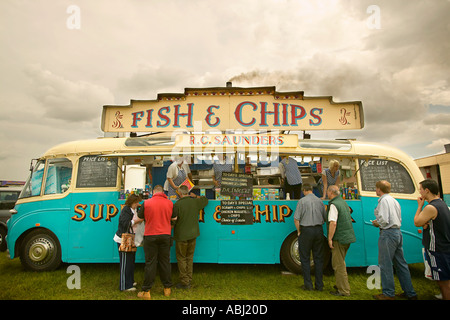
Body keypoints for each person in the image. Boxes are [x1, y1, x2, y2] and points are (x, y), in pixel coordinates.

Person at [372, 180, 417, 300]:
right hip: (397, 232)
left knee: (385, 264)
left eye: (376, 188)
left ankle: (388, 293)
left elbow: (384, 220)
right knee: (401, 264)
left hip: (387, 233)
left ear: (379, 189)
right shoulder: (394, 200)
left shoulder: (383, 201)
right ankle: (410, 292)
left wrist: (377, 223)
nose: (375, 190)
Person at [137, 185, 177, 300]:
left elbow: (140, 217)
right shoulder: (170, 203)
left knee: (150, 263)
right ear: (162, 192)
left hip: (150, 235)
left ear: (153, 192)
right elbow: (174, 218)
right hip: (165, 235)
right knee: (165, 262)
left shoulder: (147, 203)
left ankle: (146, 291)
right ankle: (167, 288)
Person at [414, 179, 450, 300]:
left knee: (443, 281)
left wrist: (419, 206)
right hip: (444, 246)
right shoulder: (442, 203)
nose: (420, 192)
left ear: (427, 190)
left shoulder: (431, 207)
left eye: (420, 189)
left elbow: (417, 222)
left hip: (437, 249)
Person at [173, 185, 209, 289]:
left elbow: (173, 220)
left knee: (181, 258)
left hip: (181, 235)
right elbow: (205, 200)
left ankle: (184, 282)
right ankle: (189, 278)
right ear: (188, 192)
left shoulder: (177, 205)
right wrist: (196, 196)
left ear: (179, 193)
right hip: (193, 234)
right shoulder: (195, 202)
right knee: (189, 257)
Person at [294, 183, 327, 291]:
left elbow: (296, 219)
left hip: (306, 230)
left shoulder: (302, 201)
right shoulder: (320, 201)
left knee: (305, 258)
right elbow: (324, 217)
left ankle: (308, 285)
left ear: (304, 190)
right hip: (318, 230)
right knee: (318, 258)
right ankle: (319, 285)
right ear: (312, 190)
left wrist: (299, 231)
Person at [326, 185, 356, 296]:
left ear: (331, 192)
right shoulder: (342, 202)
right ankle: (340, 284)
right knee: (341, 262)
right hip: (347, 237)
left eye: (328, 192)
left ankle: (343, 290)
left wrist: (330, 238)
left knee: (338, 265)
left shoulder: (334, 205)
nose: (327, 195)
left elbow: (333, 223)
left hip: (339, 238)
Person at [113, 194, 143, 291]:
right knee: (125, 263)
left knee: (130, 262)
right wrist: (136, 221)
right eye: (136, 202)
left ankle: (130, 281)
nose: (137, 204)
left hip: (131, 239)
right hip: (124, 239)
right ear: (131, 202)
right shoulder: (126, 210)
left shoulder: (134, 210)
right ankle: (124, 286)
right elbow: (124, 223)